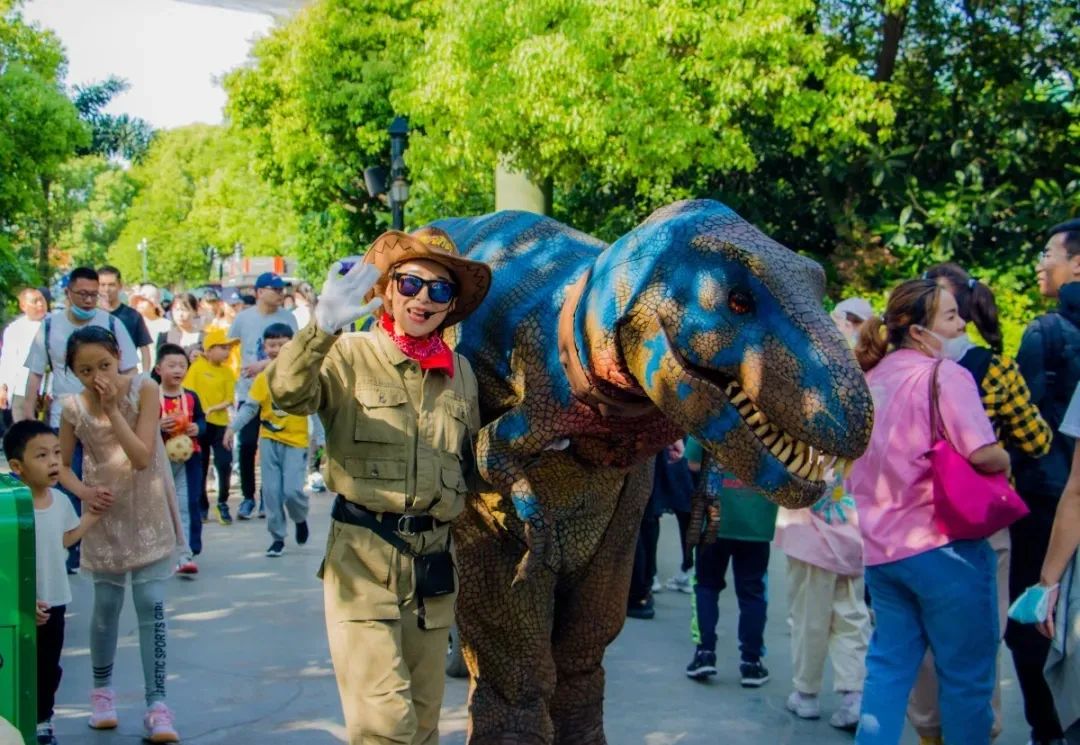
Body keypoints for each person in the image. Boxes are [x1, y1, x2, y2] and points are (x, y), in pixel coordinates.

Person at [267, 227, 489, 745]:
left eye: (439, 290)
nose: (422, 299)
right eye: (411, 283)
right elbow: (287, 394)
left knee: (425, 724)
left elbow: (470, 461)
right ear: (388, 289)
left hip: (433, 568)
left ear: (451, 305)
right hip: (363, 563)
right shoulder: (349, 355)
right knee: (385, 729)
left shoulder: (461, 374)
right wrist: (320, 327)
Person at [849, 279, 1010, 744]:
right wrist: (1005, 459)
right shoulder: (945, 375)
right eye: (952, 317)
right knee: (966, 677)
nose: (962, 325)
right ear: (919, 332)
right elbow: (981, 452)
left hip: (883, 552)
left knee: (887, 669)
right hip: (945, 548)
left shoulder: (871, 379)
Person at [909, 263, 1052, 744]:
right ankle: (979, 732)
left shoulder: (901, 371)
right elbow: (1037, 440)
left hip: (914, 522)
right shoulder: (997, 369)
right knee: (981, 634)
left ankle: (931, 731)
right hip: (979, 521)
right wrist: (999, 455)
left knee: (923, 633)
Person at [55, 326, 185, 743]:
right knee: (106, 605)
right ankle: (101, 696)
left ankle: (157, 705)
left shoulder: (145, 389)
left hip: (146, 507)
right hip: (104, 512)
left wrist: (113, 409)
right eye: (85, 369)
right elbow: (60, 463)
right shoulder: (72, 407)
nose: (98, 376)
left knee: (151, 603)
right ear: (73, 372)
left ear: (118, 356)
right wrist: (83, 493)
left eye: (105, 365)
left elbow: (143, 456)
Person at [775, 297, 872, 731]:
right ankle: (853, 694)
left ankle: (807, 692)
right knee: (851, 614)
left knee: (809, 614)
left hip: (808, 521)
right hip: (856, 524)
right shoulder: (874, 385)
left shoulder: (811, 379)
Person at [1008, 218, 1080, 745]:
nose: (1041, 263)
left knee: (1034, 620)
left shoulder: (1045, 332)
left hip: (1050, 504)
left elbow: (1022, 429)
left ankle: (1049, 731)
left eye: (1048, 252)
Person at [3, 419, 101, 745]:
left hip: (55, 599)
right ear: (17, 466)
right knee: (16, 663)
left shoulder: (59, 501)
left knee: (49, 668)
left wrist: (91, 516)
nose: (54, 461)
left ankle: (43, 721)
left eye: (57, 453)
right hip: (20, 604)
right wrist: (19, 600)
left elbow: (65, 539)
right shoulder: (10, 507)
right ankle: (12, 720)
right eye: (42, 455)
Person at [683, 439, 777, 688]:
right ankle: (752, 663)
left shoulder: (711, 409)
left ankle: (705, 653)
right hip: (757, 522)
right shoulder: (777, 415)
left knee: (706, 587)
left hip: (713, 518)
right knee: (753, 593)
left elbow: (693, 462)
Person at [224, 323, 310, 557]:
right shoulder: (264, 377)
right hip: (269, 439)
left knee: (292, 491)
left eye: (282, 345)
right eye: (272, 345)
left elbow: (318, 409)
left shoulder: (302, 375)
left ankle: (300, 518)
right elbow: (250, 407)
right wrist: (232, 428)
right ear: (265, 347)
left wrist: (322, 438)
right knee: (271, 493)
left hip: (296, 441)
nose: (276, 349)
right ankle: (277, 537)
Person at [22, 267, 139, 428]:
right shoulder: (49, 327)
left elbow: (130, 371)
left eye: (93, 294)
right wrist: (28, 414)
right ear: (68, 292)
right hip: (63, 418)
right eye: (83, 294)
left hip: (106, 421)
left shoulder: (112, 324)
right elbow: (35, 373)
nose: (89, 300)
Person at [229, 273, 298, 520]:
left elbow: (295, 354)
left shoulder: (288, 319)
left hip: (278, 394)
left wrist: (263, 365)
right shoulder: (243, 319)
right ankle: (248, 497)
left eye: (282, 289)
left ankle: (267, 498)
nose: (280, 293)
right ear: (259, 292)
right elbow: (228, 347)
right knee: (246, 445)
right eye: (275, 289)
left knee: (272, 448)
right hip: (249, 391)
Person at [155, 343, 206, 574]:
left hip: (189, 459)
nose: (177, 370)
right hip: (158, 461)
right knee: (159, 506)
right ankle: (161, 550)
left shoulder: (192, 397)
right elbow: (139, 426)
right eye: (171, 365)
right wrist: (157, 426)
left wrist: (198, 428)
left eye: (182, 366)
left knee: (187, 503)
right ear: (158, 369)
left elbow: (204, 423)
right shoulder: (150, 397)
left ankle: (186, 553)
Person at [183, 328, 238, 524]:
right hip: (200, 424)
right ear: (209, 349)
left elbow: (230, 398)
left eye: (228, 348)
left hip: (220, 424)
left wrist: (213, 408)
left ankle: (222, 502)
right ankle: (202, 506)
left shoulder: (227, 372)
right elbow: (188, 392)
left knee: (224, 463)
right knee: (201, 464)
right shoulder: (197, 368)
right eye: (223, 347)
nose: (227, 352)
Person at [0, 287, 47, 426]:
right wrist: (3, 387)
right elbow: (7, 360)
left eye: (42, 300)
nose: (40, 305)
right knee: (22, 426)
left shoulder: (55, 323)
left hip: (48, 384)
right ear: (23, 306)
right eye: (35, 301)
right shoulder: (14, 329)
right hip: (21, 384)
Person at [97, 266, 154, 373]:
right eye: (102, 285)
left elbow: (144, 348)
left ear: (120, 286)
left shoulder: (133, 315)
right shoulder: (92, 315)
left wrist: (145, 375)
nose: (106, 289)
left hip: (126, 375)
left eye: (111, 284)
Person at [157, 293, 204, 360]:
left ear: (195, 311)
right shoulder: (164, 336)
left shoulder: (204, 338)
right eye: (177, 310)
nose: (180, 314)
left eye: (184, 310)